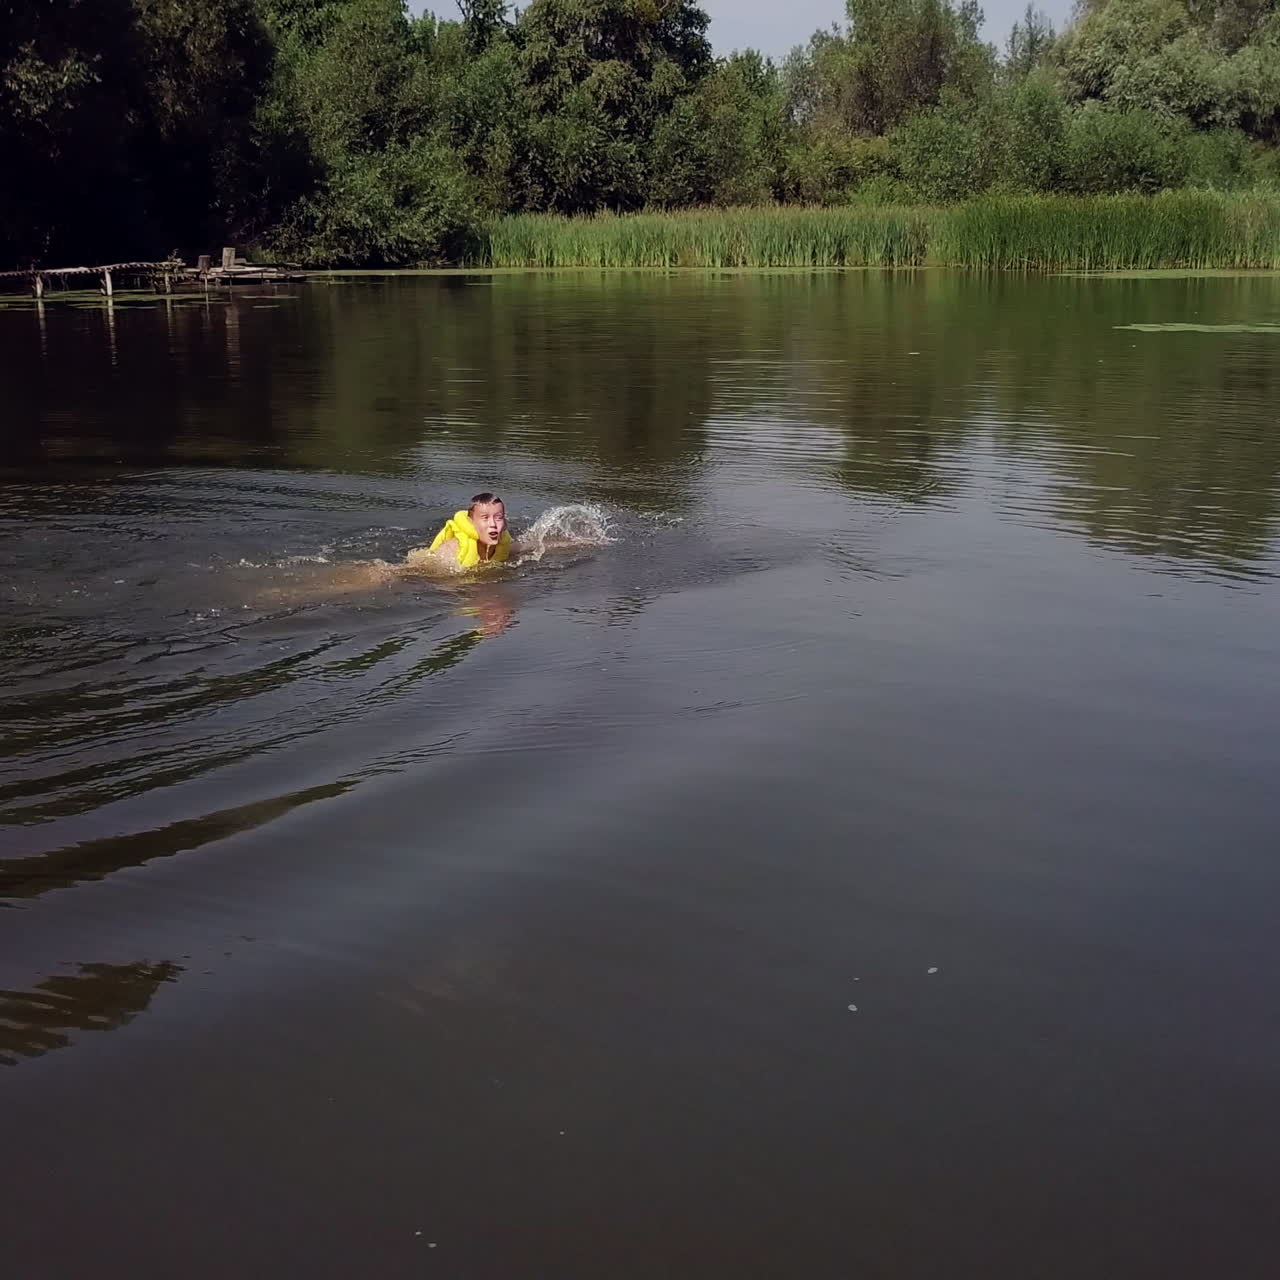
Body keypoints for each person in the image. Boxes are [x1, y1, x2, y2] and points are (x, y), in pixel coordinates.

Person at [407, 492, 517, 569]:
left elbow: (529, 547)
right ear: (471, 523)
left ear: (505, 523)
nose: (493, 524)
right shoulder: (452, 549)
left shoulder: (506, 545)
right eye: (485, 518)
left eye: (498, 518)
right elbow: (412, 569)